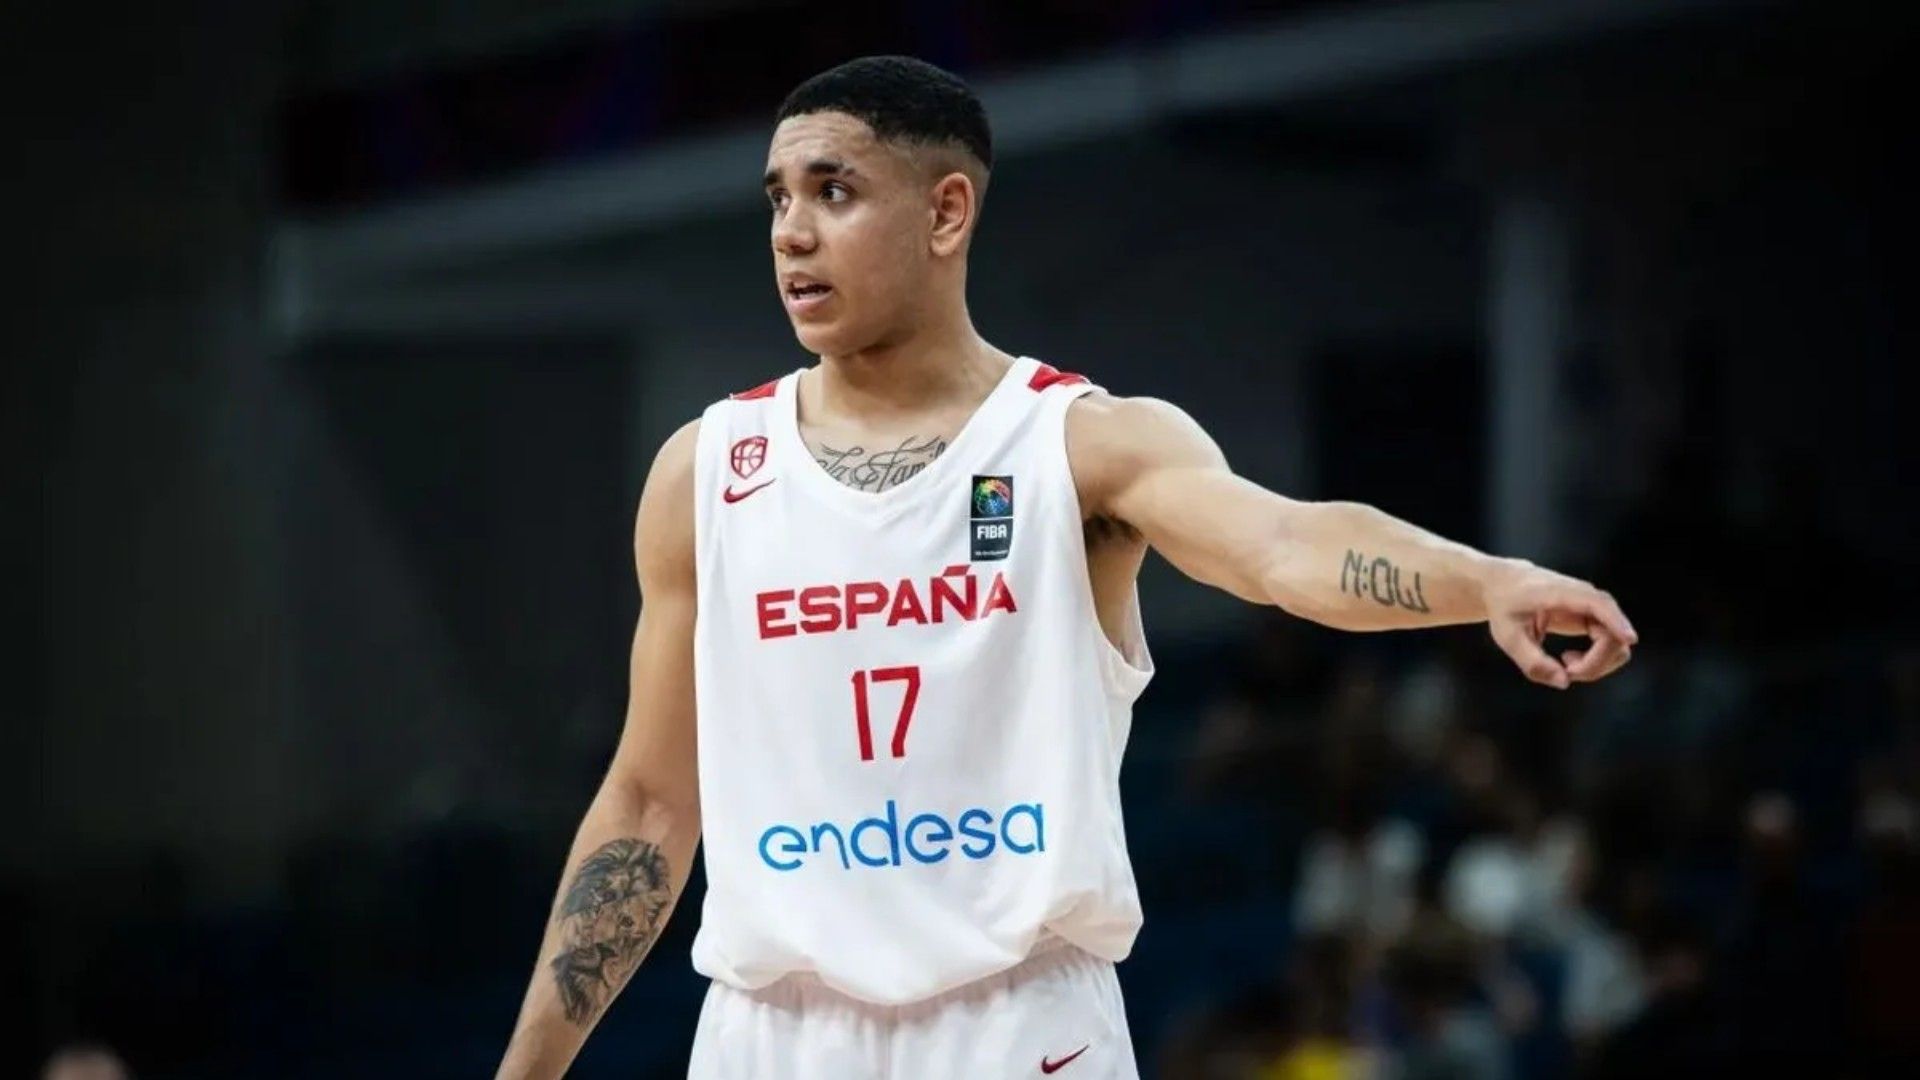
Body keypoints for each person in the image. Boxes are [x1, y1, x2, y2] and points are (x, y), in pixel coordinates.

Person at [493, 55, 1637, 1080]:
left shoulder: (1080, 444)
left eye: (833, 192)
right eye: (778, 199)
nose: (792, 231)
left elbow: (1285, 546)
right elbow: (650, 801)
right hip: (769, 1033)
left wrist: (1488, 583)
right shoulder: (705, 471)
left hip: (1018, 1024)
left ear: (947, 212)